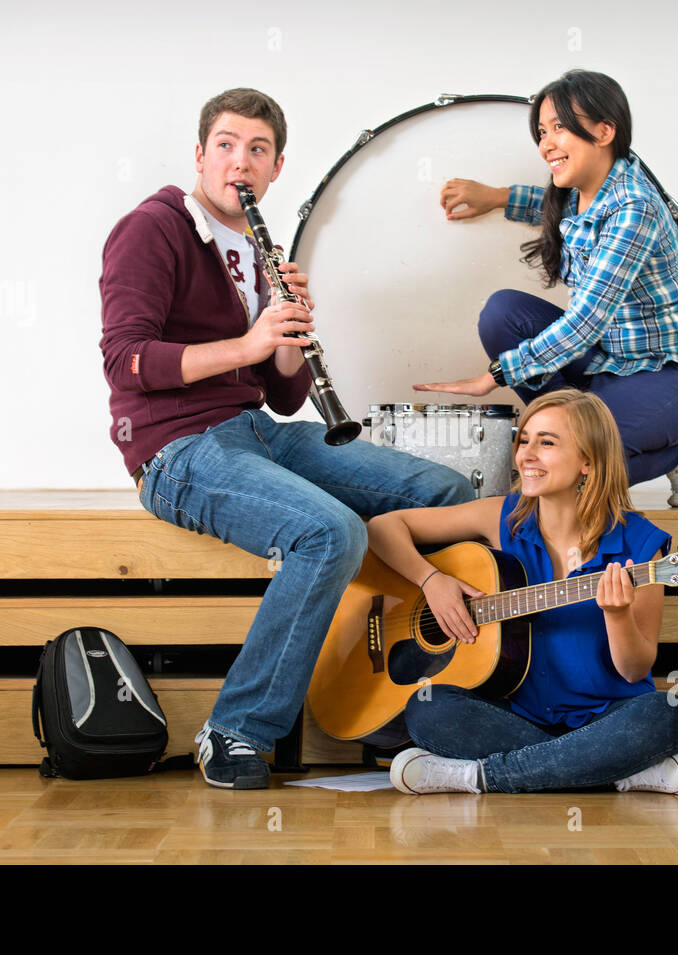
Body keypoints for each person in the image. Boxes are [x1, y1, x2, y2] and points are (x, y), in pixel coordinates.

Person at [98, 88, 472, 790]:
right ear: (201, 155)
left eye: (258, 150)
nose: (241, 161)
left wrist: (287, 329)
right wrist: (247, 340)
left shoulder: (257, 248)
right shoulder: (153, 229)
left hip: (255, 431)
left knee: (442, 491)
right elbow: (128, 360)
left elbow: (280, 393)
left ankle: (397, 693)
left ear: (276, 168)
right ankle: (236, 728)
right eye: (228, 145)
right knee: (330, 533)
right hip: (175, 449)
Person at [366, 389, 678, 795]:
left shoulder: (643, 546)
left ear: (588, 463)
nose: (526, 455)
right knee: (428, 709)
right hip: (514, 715)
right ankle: (613, 771)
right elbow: (383, 528)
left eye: (547, 443)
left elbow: (633, 670)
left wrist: (617, 615)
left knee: (668, 714)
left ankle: (480, 777)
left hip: (608, 716)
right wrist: (431, 580)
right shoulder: (501, 516)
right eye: (524, 440)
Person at [417, 70, 678, 507]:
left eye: (560, 127)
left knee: (573, 474)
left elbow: (585, 322)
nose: (546, 143)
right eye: (542, 131)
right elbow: (550, 206)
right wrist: (498, 197)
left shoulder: (634, 207)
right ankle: (568, 433)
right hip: (607, 360)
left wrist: (495, 376)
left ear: (604, 130)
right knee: (503, 312)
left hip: (673, 373)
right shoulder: (578, 191)